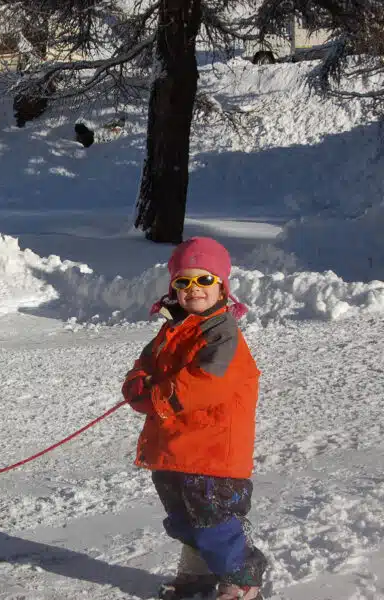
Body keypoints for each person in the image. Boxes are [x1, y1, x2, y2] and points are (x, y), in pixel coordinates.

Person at [122, 237, 268, 600]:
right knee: (185, 520)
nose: (193, 289)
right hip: (176, 449)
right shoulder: (172, 329)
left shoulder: (222, 334)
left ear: (221, 285)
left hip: (212, 454)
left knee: (214, 524)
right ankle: (197, 577)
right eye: (183, 282)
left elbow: (206, 384)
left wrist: (156, 395)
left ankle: (242, 582)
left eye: (204, 279)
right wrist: (137, 384)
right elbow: (145, 366)